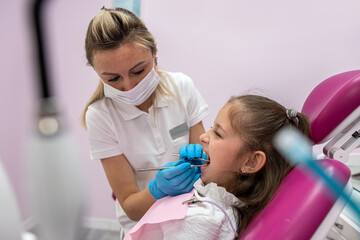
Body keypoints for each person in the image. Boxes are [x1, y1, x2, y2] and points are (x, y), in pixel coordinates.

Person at [80, 7, 209, 237]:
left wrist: (204, 162)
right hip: (144, 229)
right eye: (113, 79)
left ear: (154, 52)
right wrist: (157, 190)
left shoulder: (182, 88)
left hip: (193, 216)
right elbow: (130, 206)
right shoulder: (99, 116)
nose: (129, 86)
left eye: (138, 70)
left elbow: (209, 169)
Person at [124, 94, 310, 240]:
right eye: (212, 128)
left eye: (218, 134)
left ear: (251, 162)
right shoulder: (213, 199)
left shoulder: (202, 220)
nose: (203, 137)